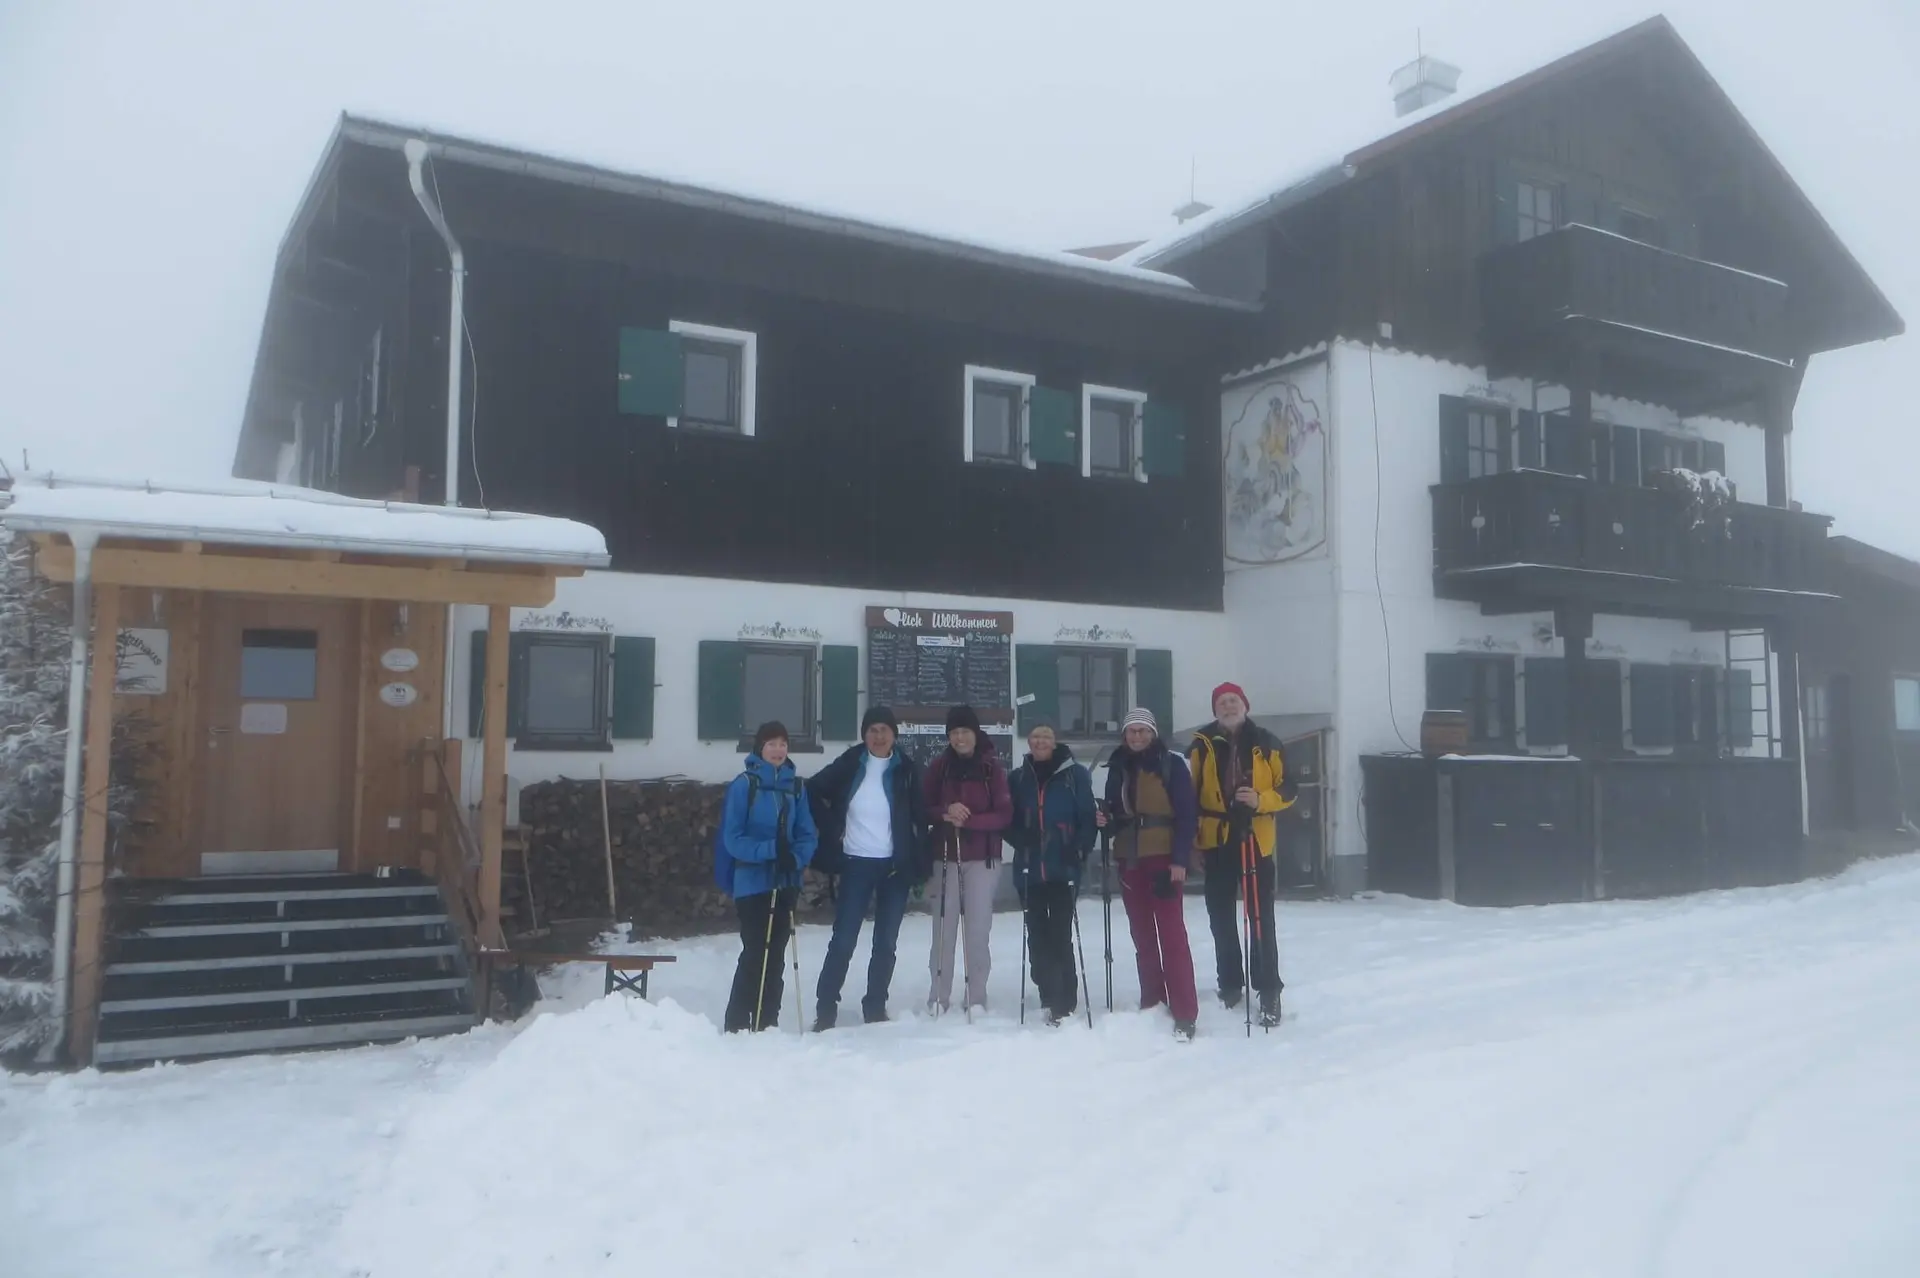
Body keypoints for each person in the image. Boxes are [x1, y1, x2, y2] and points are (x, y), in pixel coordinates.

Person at [804, 705, 930, 1030]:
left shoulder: (906, 769)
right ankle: (826, 1007)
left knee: (886, 941)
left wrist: (918, 860)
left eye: (884, 730)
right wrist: (833, 825)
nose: (878, 736)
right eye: (872, 730)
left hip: (894, 867)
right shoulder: (851, 762)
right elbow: (812, 791)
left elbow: (921, 817)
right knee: (844, 938)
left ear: (894, 735)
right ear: (864, 734)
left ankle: (875, 1005)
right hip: (856, 863)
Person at [1189, 682, 1295, 1028]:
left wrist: (1261, 800)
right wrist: (1192, 841)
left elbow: (1289, 787)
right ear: (1215, 709)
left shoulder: (1267, 741)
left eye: (1233, 700)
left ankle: (1268, 990)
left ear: (1245, 705)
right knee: (1220, 915)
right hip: (1216, 838)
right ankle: (1230, 983)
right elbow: (1188, 794)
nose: (1229, 706)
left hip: (1256, 838)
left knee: (1260, 917)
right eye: (1222, 702)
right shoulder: (1201, 744)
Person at [1097, 707, 1201, 1041]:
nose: (1137, 737)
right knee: (1142, 936)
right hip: (1130, 857)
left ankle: (1185, 1011)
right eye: (1132, 731)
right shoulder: (1119, 765)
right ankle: (1153, 1001)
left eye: (1143, 731)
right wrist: (1106, 821)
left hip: (1164, 856)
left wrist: (1180, 859)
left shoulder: (1172, 765)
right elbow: (1116, 812)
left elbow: (1187, 815)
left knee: (1172, 935)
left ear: (1153, 733)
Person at [715, 721, 818, 1033]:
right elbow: (733, 839)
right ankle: (737, 1020)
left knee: (776, 955)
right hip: (752, 883)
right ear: (760, 747)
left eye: (783, 744)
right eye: (771, 743)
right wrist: (772, 850)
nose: (778, 749)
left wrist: (796, 857)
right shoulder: (745, 785)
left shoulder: (795, 787)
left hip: (785, 881)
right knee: (755, 951)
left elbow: (808, 833)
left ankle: (767, 1019)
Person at [922, 704, 1012, 1016]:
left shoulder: (992, 770)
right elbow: (923, 807)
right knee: (943, 930)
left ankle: (976, 996)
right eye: (954, 733)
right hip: (945, 856)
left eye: (965, 731)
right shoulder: (939, 767)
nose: (960, 738)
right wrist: (946, 813)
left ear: (975, 734)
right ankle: (939, 995)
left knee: (977, 930)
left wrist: (969, 821)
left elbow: (1004, 814)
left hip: (983, 859)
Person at [1006, 722, 1097, 1025]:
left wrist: (1081, 848)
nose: (1040, 741)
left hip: (1063, 866)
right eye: (1035, 737)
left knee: (1060, 932)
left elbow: (1087, 817)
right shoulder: (1018, 778)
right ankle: (1046, 991)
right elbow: (1007, 818)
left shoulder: (1076, 775)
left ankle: (1065, 999)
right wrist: (1019, 837)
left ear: (1055, 741)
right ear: (1029, 742)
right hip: (1029, 867)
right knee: (1036, 933)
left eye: (1046, 735)